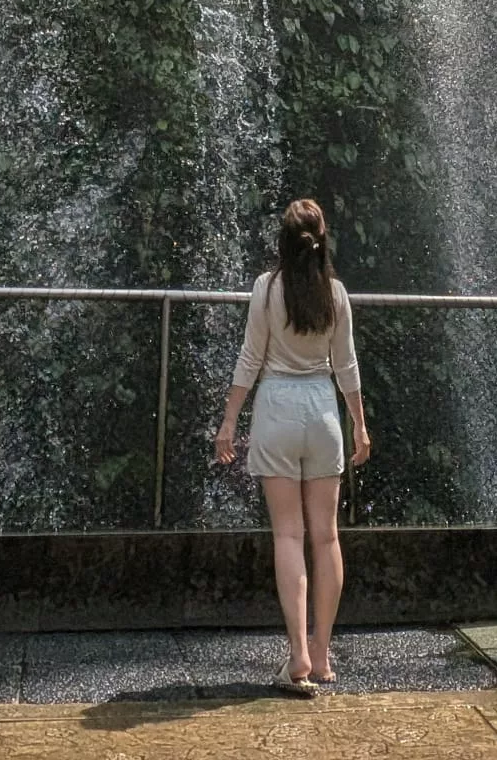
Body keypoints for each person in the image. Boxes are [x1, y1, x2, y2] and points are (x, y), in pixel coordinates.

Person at [215, 197, 371, 696]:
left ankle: (297, 655)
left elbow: (249, 359)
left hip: (277, 409)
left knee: (288, 537)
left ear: (283, 239)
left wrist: (228, 422)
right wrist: (360, 426)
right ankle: (323, 656)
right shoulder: (336, 293)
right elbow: (346, 366)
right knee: (326, 538)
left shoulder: (266, 289)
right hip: (323, 411)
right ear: (323, 239)